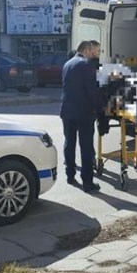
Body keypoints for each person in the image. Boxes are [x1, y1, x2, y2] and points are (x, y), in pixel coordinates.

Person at [60, 40, 103, 193]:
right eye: (93, 51)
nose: (94, 54)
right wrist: (100, 108)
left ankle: (70, 174)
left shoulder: (67, 64)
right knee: (86, 147)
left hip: (67, 111)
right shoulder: (86, 65)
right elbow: (92, 91)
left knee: (69, 143)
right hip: (84, 112)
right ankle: (87, 182)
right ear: (87, 50)